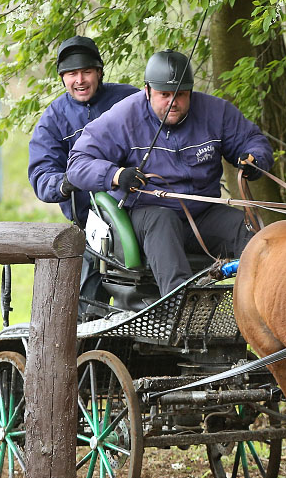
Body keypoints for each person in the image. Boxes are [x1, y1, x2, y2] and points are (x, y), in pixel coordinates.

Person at [66, 49, 273, 298]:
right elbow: (77, 164)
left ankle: (260, 308)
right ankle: (183, 306)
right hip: (147, 214)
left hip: (202, 214)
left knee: (250, 233)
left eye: (181, 95)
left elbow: (252, 140)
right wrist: (116, 174)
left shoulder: (216, 113)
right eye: (164, 95)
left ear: (190, 92)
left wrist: (254, 159)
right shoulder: (122, 117)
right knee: (163, 221)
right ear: (147, 91)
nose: (173, 102)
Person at [27, 35, 138, 316]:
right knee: (84, 308)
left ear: (99, 72)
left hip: (139, 213)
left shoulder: (129, 100)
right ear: (62, 77)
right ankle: (82, 348)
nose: (80, 80)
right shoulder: (53, 120)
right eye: (72, 73)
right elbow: (41, 176)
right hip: (90, 226)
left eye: (87, 71)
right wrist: (64, 182)